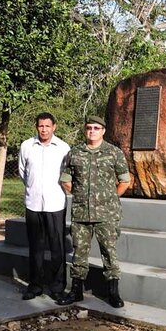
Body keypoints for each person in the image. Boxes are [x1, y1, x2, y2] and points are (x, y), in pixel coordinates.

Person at [57, 115, 130, 308]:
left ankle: (113, 292)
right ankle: (76, 291)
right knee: (79, 252)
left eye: (96, 128)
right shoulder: (75, 153)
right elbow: (66, 180)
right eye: (89, 128)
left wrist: (110, 198)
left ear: (103, 131)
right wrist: (82, 195)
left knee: (109, 252)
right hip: (81, 213)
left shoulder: (114, 153)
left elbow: (125, 181)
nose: (92, 131)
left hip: (107, 214)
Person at [18, 112, 70, 301]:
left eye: (48, 126)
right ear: (36, 127)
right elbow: (23, 172)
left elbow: (67, 174)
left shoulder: (63, 148)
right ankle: (35, 285)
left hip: (55, 203)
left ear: (54, 127)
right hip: (33, 204)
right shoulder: (27, 146)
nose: (44, 129)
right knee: (35, 247)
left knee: (57, 247)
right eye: (41, 126)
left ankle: (57, 287)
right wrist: (33, 189)